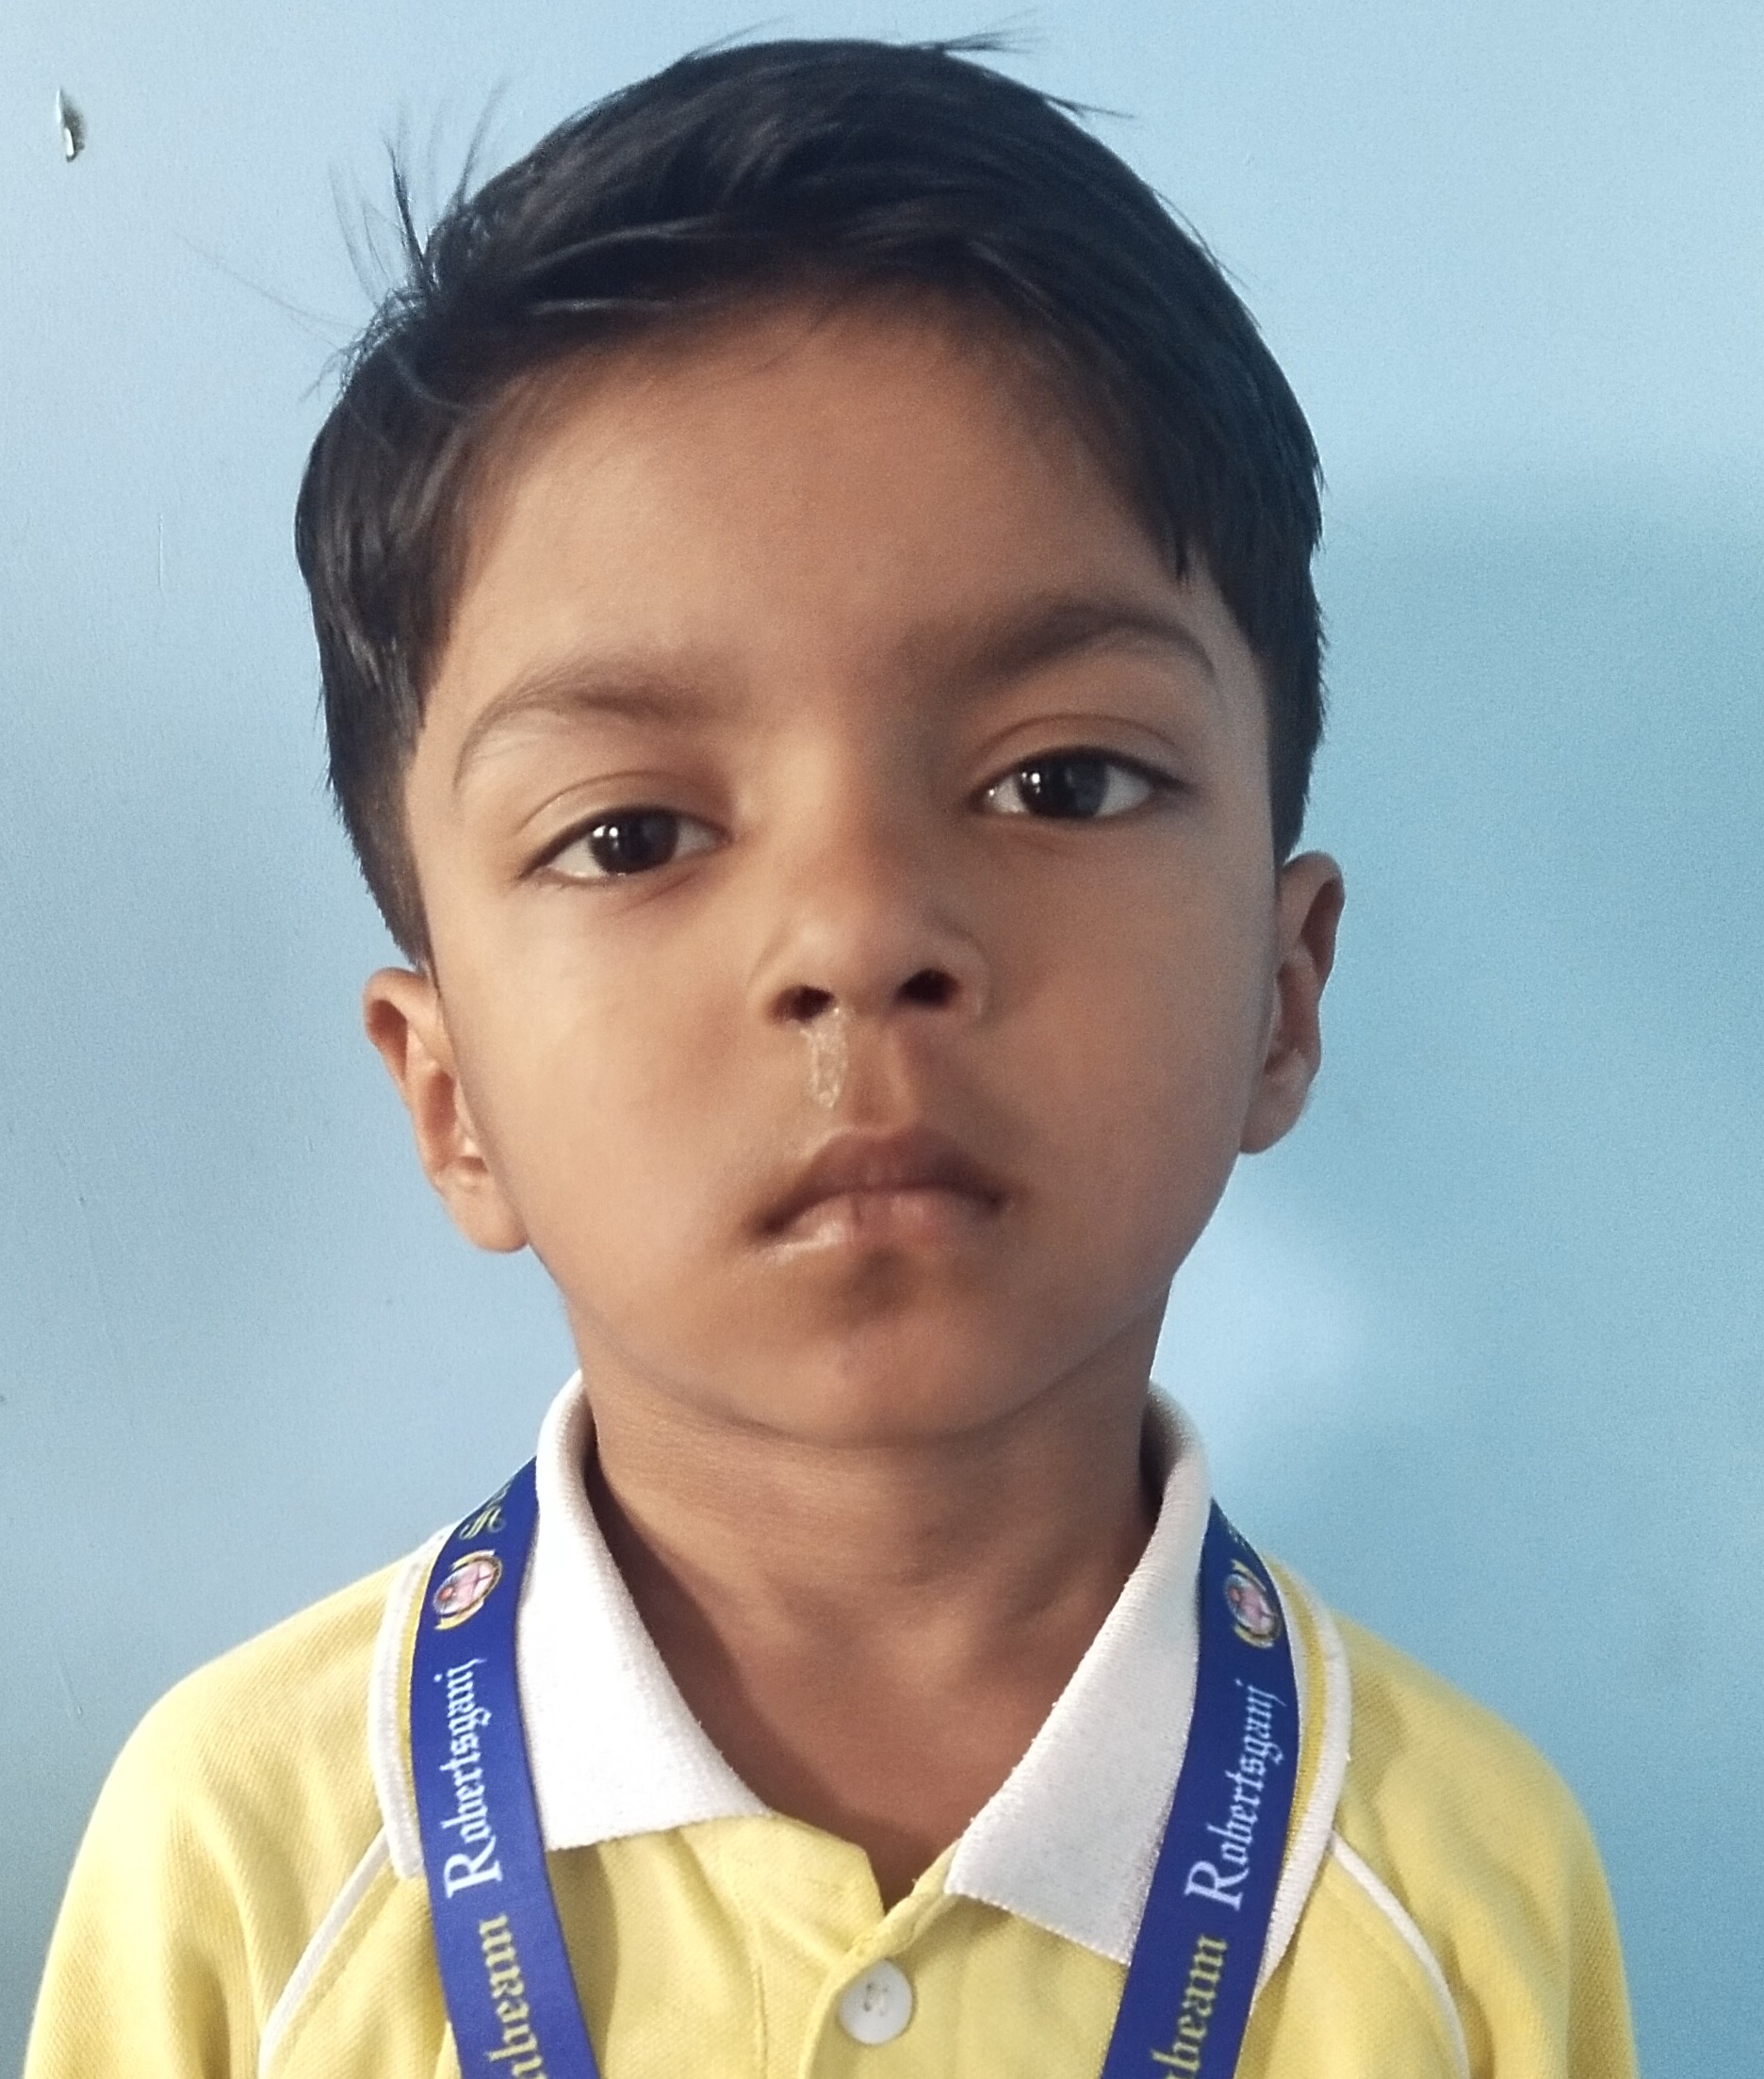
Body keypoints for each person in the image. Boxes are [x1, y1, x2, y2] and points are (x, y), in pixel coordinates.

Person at [23, 38, 1636, 2079]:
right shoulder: (243, 1865)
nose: (861, 932)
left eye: (1059, 779)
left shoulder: (1459, 1892)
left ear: (1284, 992)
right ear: (448, 1095)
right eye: (632, 834)